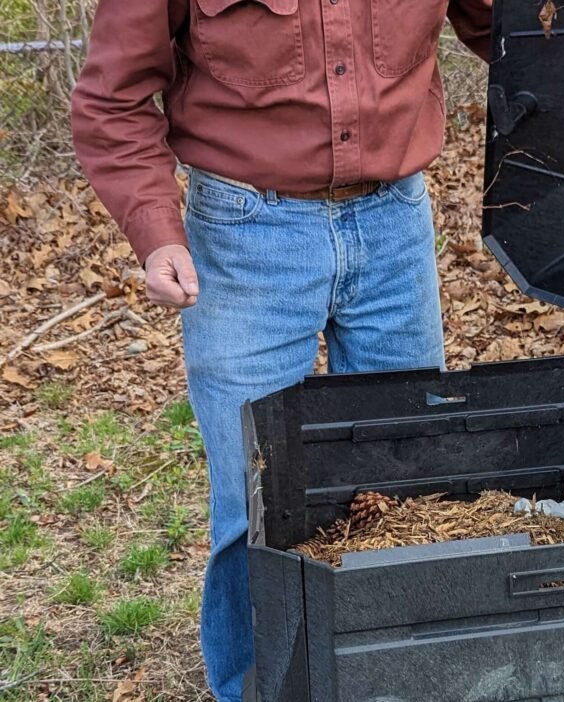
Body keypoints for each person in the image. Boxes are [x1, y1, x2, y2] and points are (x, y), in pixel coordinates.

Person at [70, 1, 491, 699]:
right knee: (255, 502)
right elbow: (111, 98)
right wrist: (156, 229)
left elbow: (528, 29)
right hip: (245, 236)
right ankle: (253, 688)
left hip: (394, 225)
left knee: (407, 479)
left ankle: (388, 677)